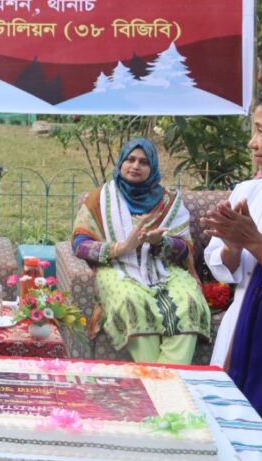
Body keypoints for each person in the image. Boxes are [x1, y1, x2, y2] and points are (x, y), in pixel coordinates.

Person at [202, 87, 262, 456]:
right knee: (228, 438)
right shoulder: (250, 191)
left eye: (261, 131)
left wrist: (255, 242)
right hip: (238, 334)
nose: (252, 143)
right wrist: (233, 246)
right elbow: (224, 266)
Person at [71, 138, 210, 364]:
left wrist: (161, 242)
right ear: (121, 163)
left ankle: (159, 378)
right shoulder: (100, 199)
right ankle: (164, 379)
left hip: (163, 268)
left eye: (144, 162)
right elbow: (79, 244)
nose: (135, 166)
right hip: (116, 267)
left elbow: (186, 248)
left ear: (152, 167)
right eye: (130, 159)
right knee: (132, 301)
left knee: (189, 302)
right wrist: (121, 247)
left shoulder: (169, 202)